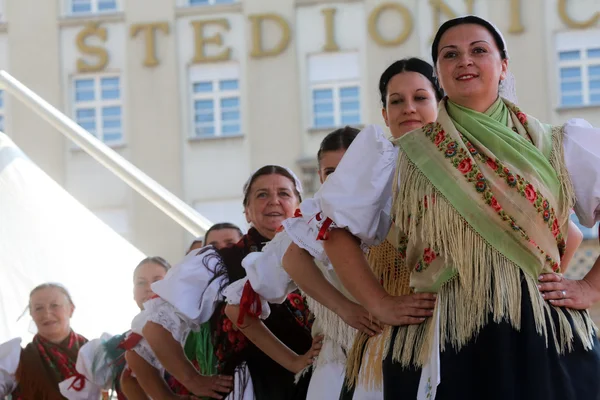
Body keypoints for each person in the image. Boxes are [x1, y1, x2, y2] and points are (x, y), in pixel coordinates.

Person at [320, 15, 600, 399]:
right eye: (450, 54)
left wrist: (589, 286)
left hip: (542, 328)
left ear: (503, 66)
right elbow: (334, 232)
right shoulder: (399, 156)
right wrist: (379, 303)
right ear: (438, 73)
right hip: (442, 333)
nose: (464, 61)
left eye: (478, 51)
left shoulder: (558, 143)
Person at [223, 58, 445, 400]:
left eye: (420, 98)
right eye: (396, 101)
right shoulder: (323, 212)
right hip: (356, 363)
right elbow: (260, 287)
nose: (409, 109)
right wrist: (348, 310)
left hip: (438, 343)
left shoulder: (453, 169)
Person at [127, 165, 319, 400]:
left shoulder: (319, 250)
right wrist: (191, 381)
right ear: (247, 212)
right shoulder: (217, 263)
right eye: (262, 195)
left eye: (284, 193)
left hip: (320, 383)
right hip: (253, 388)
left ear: (298, 205)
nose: (274, 201)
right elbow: (154, 327)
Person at [0, 283, 88, 399]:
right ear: (31, 314)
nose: (46, 314)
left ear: (71, 309)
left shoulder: (94, 354)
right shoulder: (16, 358)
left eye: (54, 305)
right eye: (38, 308)